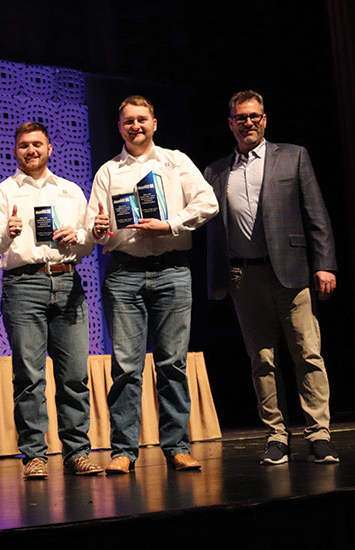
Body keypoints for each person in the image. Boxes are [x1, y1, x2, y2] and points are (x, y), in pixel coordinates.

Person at [204, 90, 339, 465]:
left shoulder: (293, 156)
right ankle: (277, 435)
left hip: (292, 272)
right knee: (262, 359)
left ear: (264, 119)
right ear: (230, 123)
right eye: (241, 117)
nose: (248, 122)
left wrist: (325, 264)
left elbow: (316, 214)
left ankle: (319, 434)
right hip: (244, 277)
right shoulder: (216, 172)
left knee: (307, 353)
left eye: (254, 116)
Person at [87, 95, 218, 473]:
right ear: (119, 127)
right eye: (128, 121)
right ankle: (123, 451)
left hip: (172, 270)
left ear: (154, 123)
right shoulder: (108, 171)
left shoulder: (175, 162)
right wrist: (98, 229)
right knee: (126, 368)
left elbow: (208, 203)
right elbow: (94, 227)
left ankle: (177, 446)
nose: (136, 126)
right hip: (124, 273)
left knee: (172, 364)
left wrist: (171, 225)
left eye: (141, 120)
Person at [0, 122, 103, 480]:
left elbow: (89, 242)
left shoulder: (69, 190)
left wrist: (78, 235)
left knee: (74, 375)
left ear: (50, 149)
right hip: (23, 285)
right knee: (29, 377)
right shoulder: (2, 193)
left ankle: (77, 452)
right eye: (24, 145)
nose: (31, 150)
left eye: (37, 144)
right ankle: (34, 455)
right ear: (15, 151)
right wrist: (7, 233)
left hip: (66, 281)